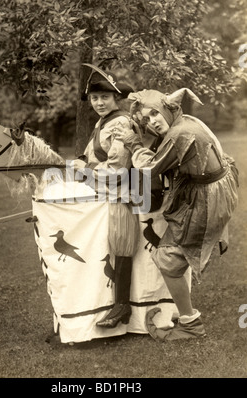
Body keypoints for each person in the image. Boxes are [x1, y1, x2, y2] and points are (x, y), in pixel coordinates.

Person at [113, 87, 239, 340]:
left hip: (206, 199)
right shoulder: (188, 121)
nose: (152, 122)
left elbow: (149, 168)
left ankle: (191, 324)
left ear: (168, 109)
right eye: (146, 119)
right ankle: (188, 316)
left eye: (155, 114)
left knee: (168, 260)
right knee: (169, 256)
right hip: (211, 192)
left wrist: (133, 142)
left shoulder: (181, 133)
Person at [72, 63, 141, 328]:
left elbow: (117, 168)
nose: (99, 102)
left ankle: (122, 306)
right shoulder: (103, 122)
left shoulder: (121, 122)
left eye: (104, 97)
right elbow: (92, 154)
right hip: (102, 192)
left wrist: (86, 169)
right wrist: (81, 163)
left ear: (116, 98)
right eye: (94, 98)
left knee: (121, 246)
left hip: (121, 194)